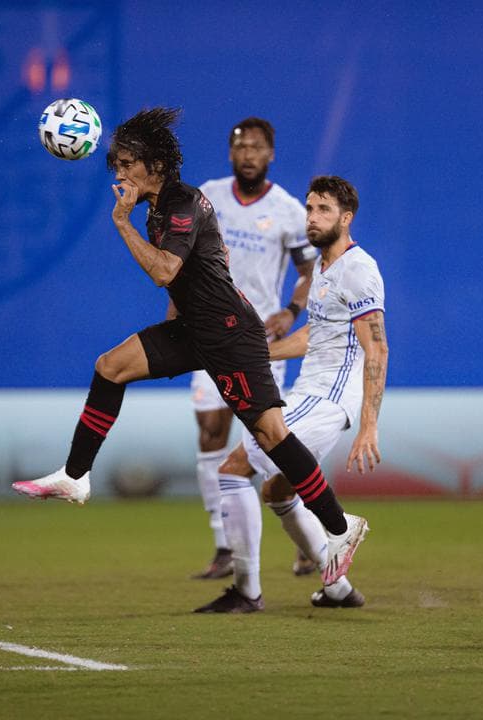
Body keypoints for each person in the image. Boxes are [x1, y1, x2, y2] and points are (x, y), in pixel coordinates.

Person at [11, 109, 368, 602]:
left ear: (154, 165)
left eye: (127, 163)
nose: (118, 173)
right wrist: (171, 319)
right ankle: (75, 477)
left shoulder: (183, 203)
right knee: (110, 367)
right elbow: (179, 281)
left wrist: (120, 223)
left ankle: (339, 524)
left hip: (229, 335)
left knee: (271, 434)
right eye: (115, 163)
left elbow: (164, 269)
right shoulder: (159, 207)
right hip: (193, 329)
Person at [195, 175, 387, 613]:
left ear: (346, 217)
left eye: (323, 210)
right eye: (309, 209)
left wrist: (369, 427)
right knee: (279, 492)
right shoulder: (323, 267)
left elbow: (377, 346)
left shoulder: (359, 269)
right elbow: (313, 339)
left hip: (329, 400)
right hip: (307, 392)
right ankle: (337, 588)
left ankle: (246, 592)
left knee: (233, 469)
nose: (312, 218)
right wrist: (253, 352)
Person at [190, 117, 318, 580]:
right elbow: (183, 255)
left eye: (258, 147)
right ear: (230, 153)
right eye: (241, 146)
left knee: (267, 443)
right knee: (210, 428)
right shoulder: (208, 197)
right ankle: (224, 544)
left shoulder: (286, 209)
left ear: (271, 154)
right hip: (207, 332)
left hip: (259, 340)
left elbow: (308, 270)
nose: (248, 154)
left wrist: (291, 310)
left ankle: (307, 536)